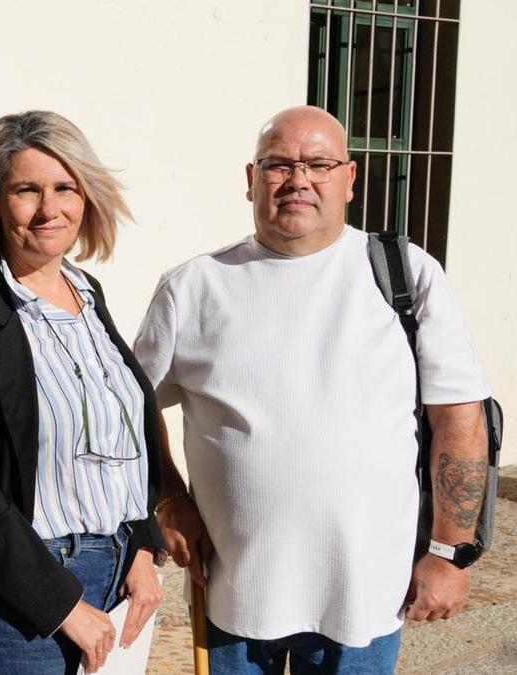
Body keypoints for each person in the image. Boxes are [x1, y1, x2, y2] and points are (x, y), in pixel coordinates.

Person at [133, 105, 490, 674]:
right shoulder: (194, 286)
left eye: (318, 164)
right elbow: (131, 404)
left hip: (364, 598)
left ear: (349, 178)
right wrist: (170, 498)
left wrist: (450, 553)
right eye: (279, 165)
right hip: (235, 592)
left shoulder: (406, 275)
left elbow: (459, 417)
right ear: (251, 178)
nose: (298, 180)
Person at [0, 110, 167, 675]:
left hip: (119, 575)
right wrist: (61, 604)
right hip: (15, 601)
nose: (49, 210)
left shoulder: (87, 293)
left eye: (65, 188)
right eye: (27, 189)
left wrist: (144, 546)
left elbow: (122, 442)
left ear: (87, 197)